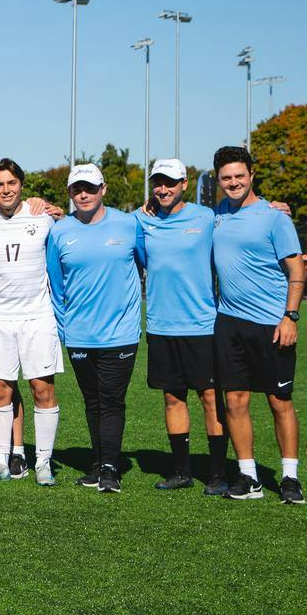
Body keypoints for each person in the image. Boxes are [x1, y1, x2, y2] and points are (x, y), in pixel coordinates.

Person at [210, 146, 305, 503]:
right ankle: (248, 476)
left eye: (239, 176)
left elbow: (296, 271)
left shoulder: (275, 217)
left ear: (251, 175)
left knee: (280, 400)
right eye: (226, 178)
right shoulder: (216, 214)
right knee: (234, 400)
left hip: (272, 325)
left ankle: (290, 477)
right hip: (229, 323)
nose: (233, 183)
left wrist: (290, 316)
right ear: (217, 180)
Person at [44, 164, 143, 493]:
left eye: (89, 188)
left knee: (112, 399)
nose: (83, 194)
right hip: (79, 333)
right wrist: (65, 326)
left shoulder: (129, 224)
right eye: (76, 189)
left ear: (103, 189)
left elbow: (146, 263)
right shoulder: (60, 231)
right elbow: (56, 286)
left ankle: (110, 468)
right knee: (92, 400)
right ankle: (98, 461)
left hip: (121, 333)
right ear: (69, 193)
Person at [133, 160, 226, 492]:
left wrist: (274, 207)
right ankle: (181, 471)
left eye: (170, 182)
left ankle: (217, 473)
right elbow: (104, 223)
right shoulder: (141, 219)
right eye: (158, 183)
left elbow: (238, 217)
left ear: (184, 183)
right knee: (173, 398)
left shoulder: (206, 218)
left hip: (202, 325)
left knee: (211, 397)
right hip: (160, 326)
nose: (163, 189)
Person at [0, 159, 62, 485]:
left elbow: (69, 223)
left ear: (21, 184)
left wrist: (58, 210)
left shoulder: (41, 217)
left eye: (11, 183)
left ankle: (43, 463)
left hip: (37, 317)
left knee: (42, 389)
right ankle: (0, 459)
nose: (6, 190)